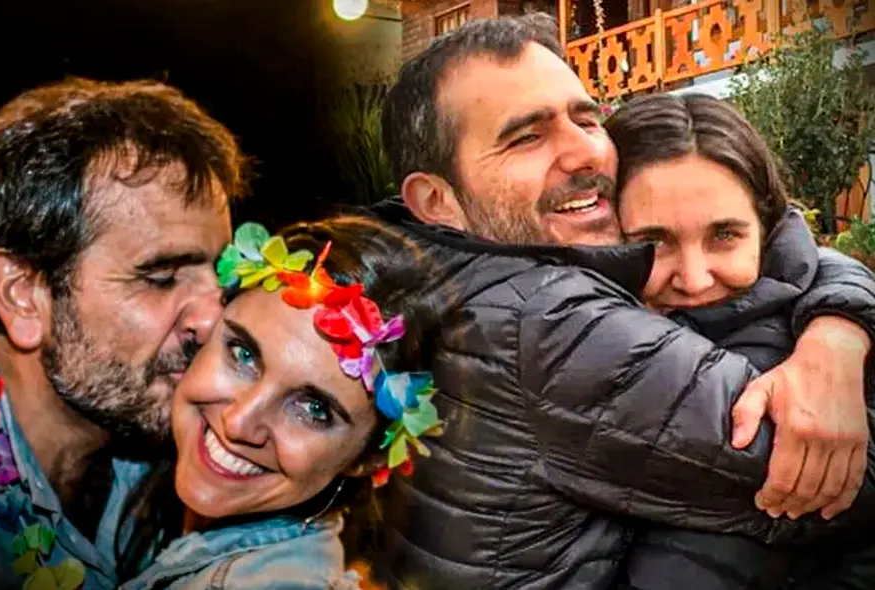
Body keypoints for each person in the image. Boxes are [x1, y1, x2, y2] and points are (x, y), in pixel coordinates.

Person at [368, 13, 875, 589]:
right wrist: (836, 340)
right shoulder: (552, 322)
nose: (583, 153)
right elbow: (846, 477)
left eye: (586, 118)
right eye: (527, 136)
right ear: (436, 200)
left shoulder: (430, 269)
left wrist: (837, 323)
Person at [0, 77, 245, 590]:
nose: (211, 318)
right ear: (22, 294)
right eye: (161, 276)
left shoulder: (169, 454)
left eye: (219, 276)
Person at [606, 92, 874, 589]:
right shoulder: (592, 328)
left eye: (723, 235)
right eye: (654, 242)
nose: (693, 277)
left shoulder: (789, 346)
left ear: (766, 227)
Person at [115, 216, 446, 589]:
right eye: (243, 355)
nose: (238, 422)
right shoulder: (121, 468)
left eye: (313, 410)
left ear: (365, 460)